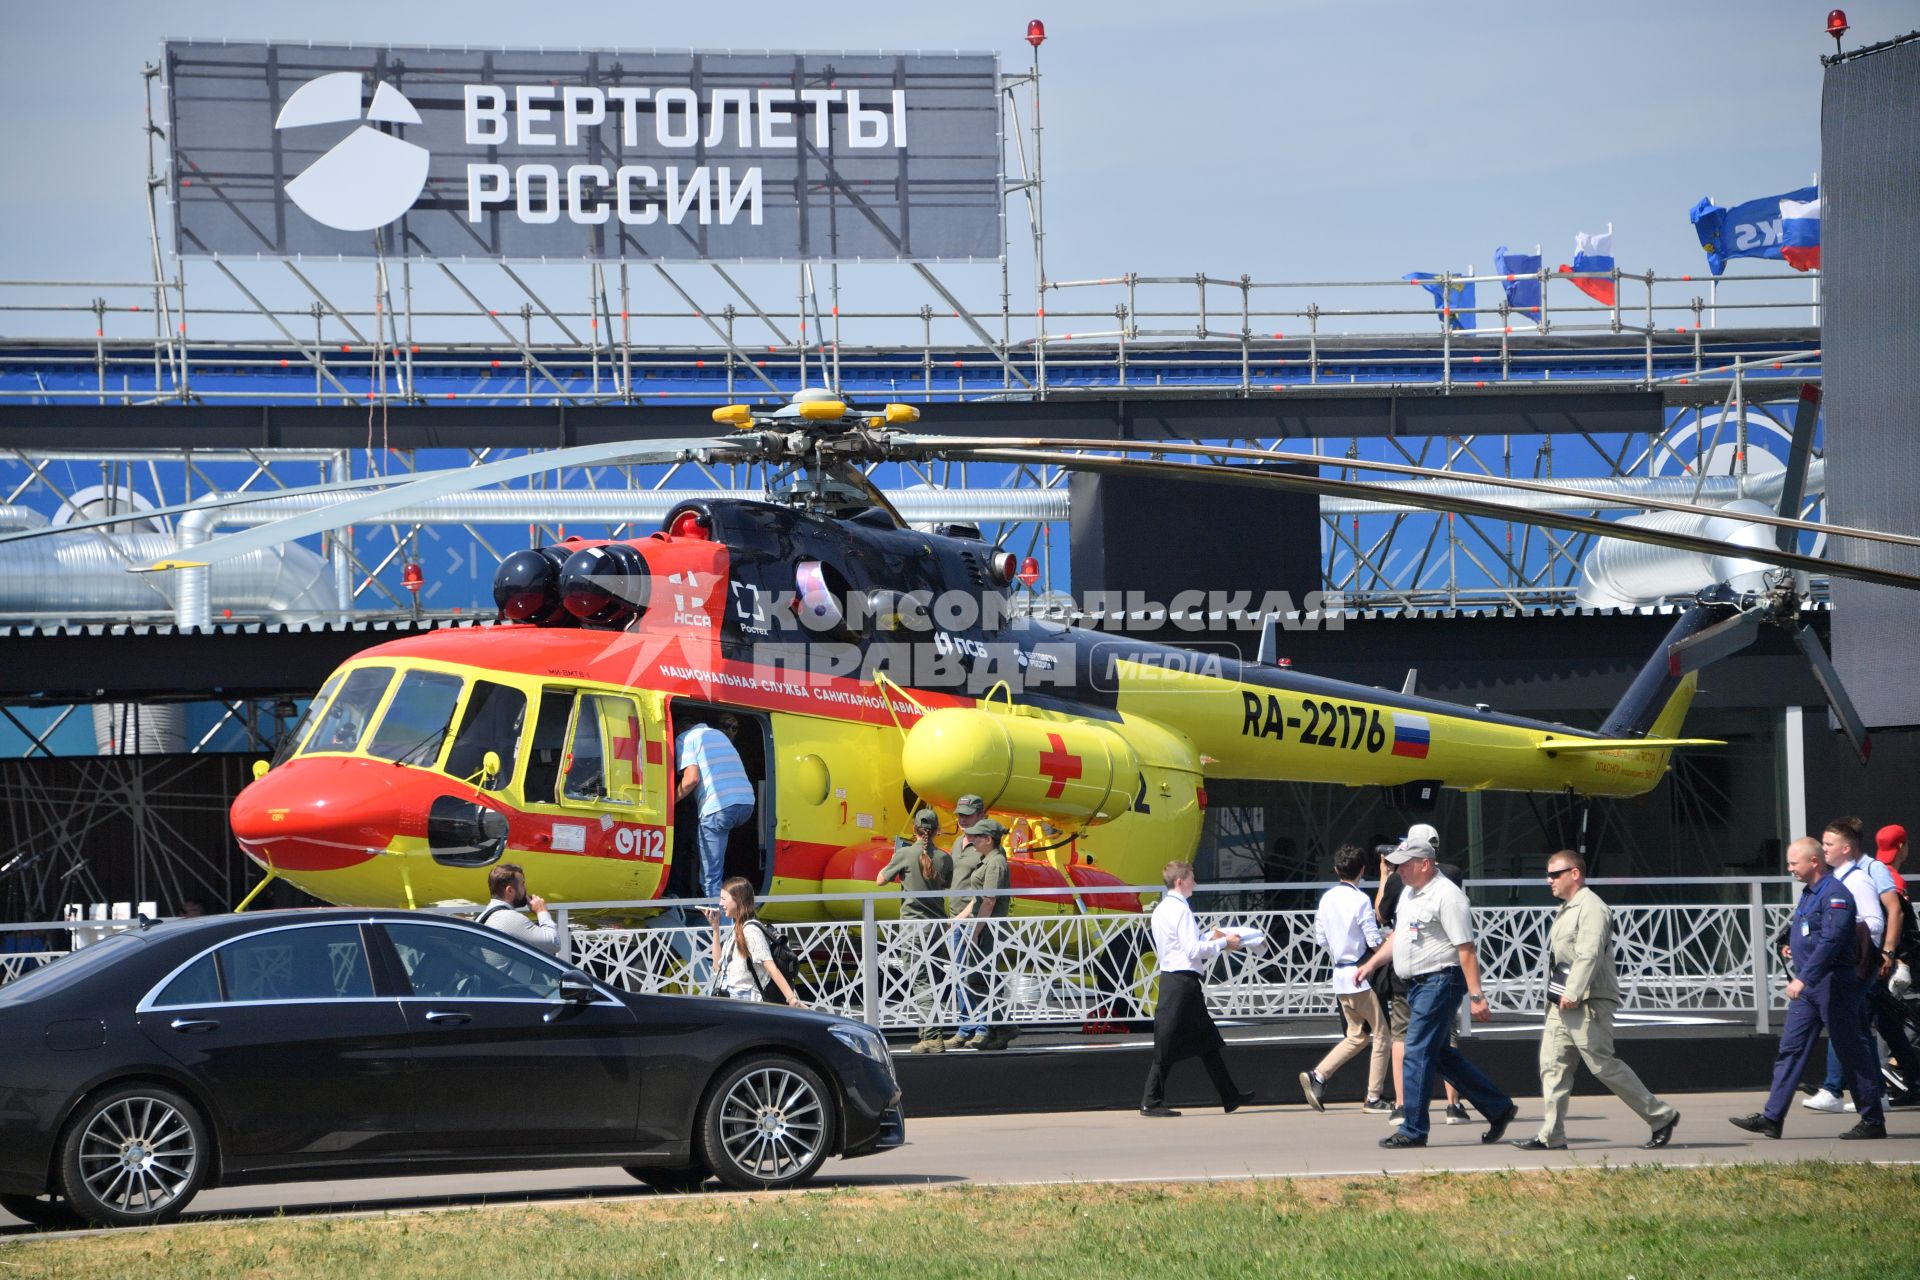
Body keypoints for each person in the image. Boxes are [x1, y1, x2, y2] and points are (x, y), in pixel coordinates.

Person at [1356, 830, 1516, 1148]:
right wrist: (1371, 965)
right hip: (1417, 985)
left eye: (1404, 865)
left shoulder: (1448, 896)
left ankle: (1413, 1129)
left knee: (1415, 1051)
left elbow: (1466, 949)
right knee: (1440, 1055)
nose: (1398, 870)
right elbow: (1398, 938)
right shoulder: (1410, 892)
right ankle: (1499, 1108)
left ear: (1425, 864)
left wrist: (1476, 997)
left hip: (1441, 980)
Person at [1513, 850, 1680, 1151]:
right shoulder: (1568, 907)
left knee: (1603, 1065)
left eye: (1554, 874)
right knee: (1552, 1065)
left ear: (1574, 874)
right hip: (1561, 1001)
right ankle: (1551, 1135)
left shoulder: (1592, 908)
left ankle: (1661, 1116)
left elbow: (1588, 954)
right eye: (1548, 874)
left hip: (1586, 1001)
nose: (1548, 880)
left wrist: (1573, 992)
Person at [1732, 837, 1886, 1140]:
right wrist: (1792, 946)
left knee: (1851, 1051)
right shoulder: (1809, 894)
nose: (1790, 869)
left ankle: (1872, 1120)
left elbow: (1833, 940)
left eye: (1793, 863)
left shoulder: (1835, 894)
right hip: (1811, 989)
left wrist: (1804, 977)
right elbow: (1810, 932)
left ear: (1813, 862)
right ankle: (1772, 1118)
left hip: (1832, 985)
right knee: (1790, 1049)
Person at [1802, 816, 1920, 1113]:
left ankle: (1835, 1088)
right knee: (1883, 1023)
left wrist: (1889, 953)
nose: (1823, 850)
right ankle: (1903, 1084)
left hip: (1867, 960)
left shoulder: (1872, 869)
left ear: (1847, 846)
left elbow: (1892, 913)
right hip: (1861, 958)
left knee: (1848, 1019)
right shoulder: (1845, 873)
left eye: (1829, 844)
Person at [1140, 859, 1254, 1117]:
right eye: (1192, 878)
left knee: (1206, 1041)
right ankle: (1150, 1101)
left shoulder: (1161, 909)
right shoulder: (1181, 910)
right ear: (1180, 881)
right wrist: (1224, 943)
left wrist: (1210, 940)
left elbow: (1183, 946)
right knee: (1169, 1043)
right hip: (1182, 983)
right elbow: (1192, 950)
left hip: (1174, 980)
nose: (1195, 882)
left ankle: (1230, 1095)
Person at [1374, 825, 1467, 1125]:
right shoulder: (1451, 873)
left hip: (1427, 976)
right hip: (1422, 973)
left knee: (1406, 1040)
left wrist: (1384, 877)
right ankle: (1456, 1104)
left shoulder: (1402, 882)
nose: (1399, 866)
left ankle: (1405, 1109)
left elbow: (1380, 915)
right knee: (1444, 1039)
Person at [1299, 844, 1392, 1114]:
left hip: (1339, 975)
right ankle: (1374, 1097)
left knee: (1356, 1036)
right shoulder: (1361, 899)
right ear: (1362, 870)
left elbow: (1320, 939)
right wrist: (1389, 942)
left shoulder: (1326, 898)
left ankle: (1319, 1075)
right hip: (1360, 975)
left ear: (1337, 869)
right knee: (1383, 1035)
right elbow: (1373, 941)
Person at [877, 809, 955, 1053]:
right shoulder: (944, 858)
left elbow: (880, 879)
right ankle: (926, 1034)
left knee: (920, 980)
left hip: (913, 927)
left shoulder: (904, 853)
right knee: (933, 979)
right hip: (937, 927)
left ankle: (932, 1036)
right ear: (937, 830)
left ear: (914, 829)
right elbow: (948, 884)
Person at [946, 819, 1018, 1051]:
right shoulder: (988, 860)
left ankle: (1000, 1027)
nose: (972, 840)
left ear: (988, 840)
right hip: (981, 925)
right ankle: (997, 1028)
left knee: (981, 978)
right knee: (979, 978)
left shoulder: (996, 862)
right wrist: (959, 921)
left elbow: (989, 901)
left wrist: (975, 931)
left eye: (977, 837)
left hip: (989, 929)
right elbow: (978, 900)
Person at [674, 714, 756, 910]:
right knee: (718, 857)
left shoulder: (685, 738)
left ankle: (719, 928)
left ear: (679, 727)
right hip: (746, 804)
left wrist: (670, 802)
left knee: (711, 877)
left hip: (719, 808)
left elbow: (691, 779)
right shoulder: (718, 735)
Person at [705, 876, 804, 1005]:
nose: (720, 904)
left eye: (724, 899)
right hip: (730, 997)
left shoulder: (751, 930)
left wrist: (792, 1000)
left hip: (745, 1000)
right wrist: (715, 930)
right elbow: (717, 968)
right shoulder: (736, 929)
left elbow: (770, 967)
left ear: (738, 900)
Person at [478, 862, 560, 954]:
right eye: (522, 884)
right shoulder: (509, 918)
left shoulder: (483, 916)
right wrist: (542, 912)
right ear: (509, 890)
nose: (525, 889)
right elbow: (554, 943)